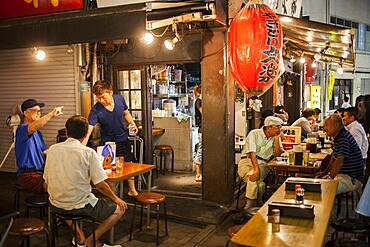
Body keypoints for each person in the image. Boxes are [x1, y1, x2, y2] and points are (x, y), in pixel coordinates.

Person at [44, 115, 126, 247]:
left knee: (65, 202)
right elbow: (100, 185)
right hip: (80, 206)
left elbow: (46, 183)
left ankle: (80, 237)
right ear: (85, 134)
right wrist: (116, 198)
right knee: (119, 209)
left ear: (66, 131)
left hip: (55, 204)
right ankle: (91, 240)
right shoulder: (88, 152)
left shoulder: (52, 150)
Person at [83, 80, 138, 197]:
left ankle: (132, 190)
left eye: (103, 97)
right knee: (109, 170)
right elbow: (89, 129)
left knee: (129, 165)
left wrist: (133, 124)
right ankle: (114, 197)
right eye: (98, 98)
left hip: (123, 139)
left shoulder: (119, 99)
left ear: (111, 92)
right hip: (108, 144)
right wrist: (81, 146)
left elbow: (126, 113)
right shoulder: (96, 109)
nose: (101, 101)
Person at [15, 99, 63, 193]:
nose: (38, 113)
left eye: (39, 111)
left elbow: (44, 151)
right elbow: (33, 127)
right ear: (25, 113)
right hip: (28, 175)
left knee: (64, 178)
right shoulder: (22, 129)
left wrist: (63, 152)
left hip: (40, 172)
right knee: (57, 186)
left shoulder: (38, 133)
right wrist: (51, 114)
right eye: (35, 111)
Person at [238, 116, 284, 211]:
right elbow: (252, 153)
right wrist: (255, 169)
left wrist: (276, 140)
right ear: (268, 127)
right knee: (258, 182)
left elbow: (277, 154)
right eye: (277, 127)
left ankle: (250, 205)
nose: (280, 129)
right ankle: (257, 202)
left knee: (253, 179)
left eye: (280, 127)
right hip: (247, 161)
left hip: (264, 164)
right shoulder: (254, 133)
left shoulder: (276, 137)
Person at [320, 114, 364, 194]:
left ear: (336, 125)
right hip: (344, 175)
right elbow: (334, 158)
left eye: (326, 125)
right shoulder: (339, 136)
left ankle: (325, 206)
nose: (324, 128)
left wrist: (329, 178)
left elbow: (339, 161)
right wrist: (325, 173)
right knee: (319, 184)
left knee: (326, 188)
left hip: (352, 178)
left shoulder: (343, 138)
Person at [194, 85, 202, 182]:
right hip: (202, 129)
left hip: (205, 129)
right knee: (200, 150)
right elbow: (204, 112)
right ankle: (198, 173)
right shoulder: (199, 101)